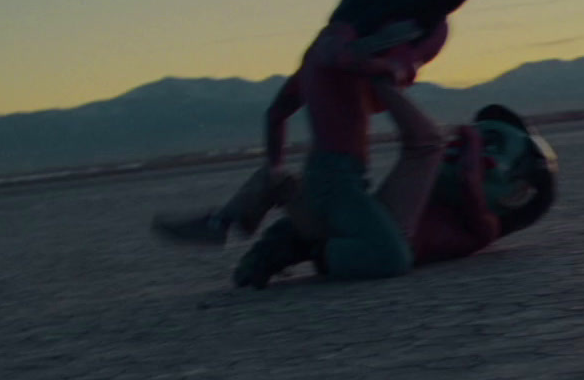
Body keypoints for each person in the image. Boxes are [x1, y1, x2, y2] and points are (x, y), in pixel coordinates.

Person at [153, 0, 478, 283]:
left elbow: (276, 113)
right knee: (390, 257)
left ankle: (277, 193)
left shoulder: (323, 59)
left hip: (336, 177)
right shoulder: (338, 46)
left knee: (388, 225)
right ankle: (311, 244)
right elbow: (333, 54)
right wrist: (383, 66)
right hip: (335, 179)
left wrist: (274, 167)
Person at [153, 102, 559, 286]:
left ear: (515, 194)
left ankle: (296, 244)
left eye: (493, 148)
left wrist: (468, 138)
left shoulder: (482, 227)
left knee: (314, 231)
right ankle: (224, 223)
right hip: (350, 236)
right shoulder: (425, 194)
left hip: (370, 251)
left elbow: (469, 178)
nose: (471, 150)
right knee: (279, 180)